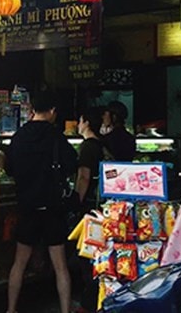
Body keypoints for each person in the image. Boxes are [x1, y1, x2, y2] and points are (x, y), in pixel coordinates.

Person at [5, 90, 77, 313]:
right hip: (53, 207)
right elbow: (72, 165)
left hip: (27, 205)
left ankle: (10, 309)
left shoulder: (19, 136)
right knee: (60, 265)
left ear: (31, 109)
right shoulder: (57, 137)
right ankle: (65, 310)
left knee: (19, 262)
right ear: (53, 111)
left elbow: (9, 168)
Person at [74, 109, 111, 313]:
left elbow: (84, 177)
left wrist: (76, 202)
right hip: (103, 207)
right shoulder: (103, 145)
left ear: (86, 123)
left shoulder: (88, 147)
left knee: (88, 255)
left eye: (80, 120)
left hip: (90, 207)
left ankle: (89, 304)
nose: (78, 125)